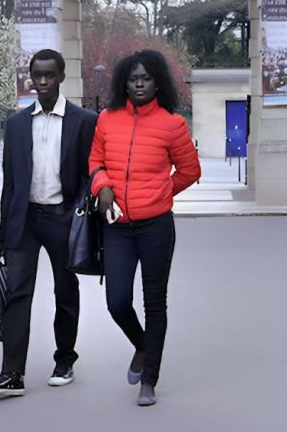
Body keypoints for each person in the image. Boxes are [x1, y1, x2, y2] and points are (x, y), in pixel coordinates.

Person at [0, 49, 97, 396]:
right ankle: (11, 373)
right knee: (17, 294)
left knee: (65, 290)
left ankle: (65, 360)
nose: (42, 81)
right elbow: (10, 181)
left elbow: (91, 175)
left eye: (49, 75)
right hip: (24, 220)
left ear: (61, 76)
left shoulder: (84, 121)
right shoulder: (16, 124)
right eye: (37, 75)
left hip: (63, 218)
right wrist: (4, 232)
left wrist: (82, 216)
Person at [88, 49, 201, 406]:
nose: (138, 84)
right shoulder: (107, 118)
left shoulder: (172, 124)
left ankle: (149, 378)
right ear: (124, 81)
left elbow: (190, 171)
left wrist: (160, 192)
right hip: (117, 227)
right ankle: (142, 344)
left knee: (155, 303)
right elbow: (94, 160)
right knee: (117, 301)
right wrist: (102, 186)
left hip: (155, 228)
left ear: (157, 83)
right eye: (133, 78)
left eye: (145, 78)